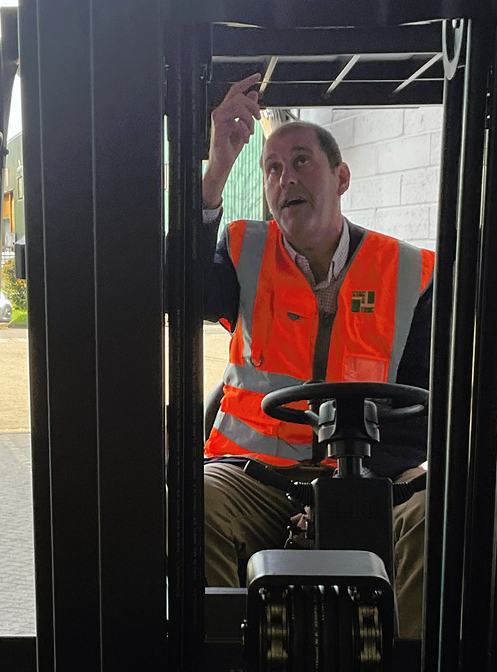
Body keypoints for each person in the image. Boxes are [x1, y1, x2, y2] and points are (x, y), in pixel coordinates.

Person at [200, 75, 434, 636]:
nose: (285, 179)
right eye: (273, 169)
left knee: (437, 521)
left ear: (341, 176)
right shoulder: (243, 253)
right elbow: (171, 289)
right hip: (252, 479)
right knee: (191, 505)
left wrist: (346, 497)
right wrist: (216, 168)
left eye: (301, 161)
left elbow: (426, 407)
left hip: (376, 484)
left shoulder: (410, 274)